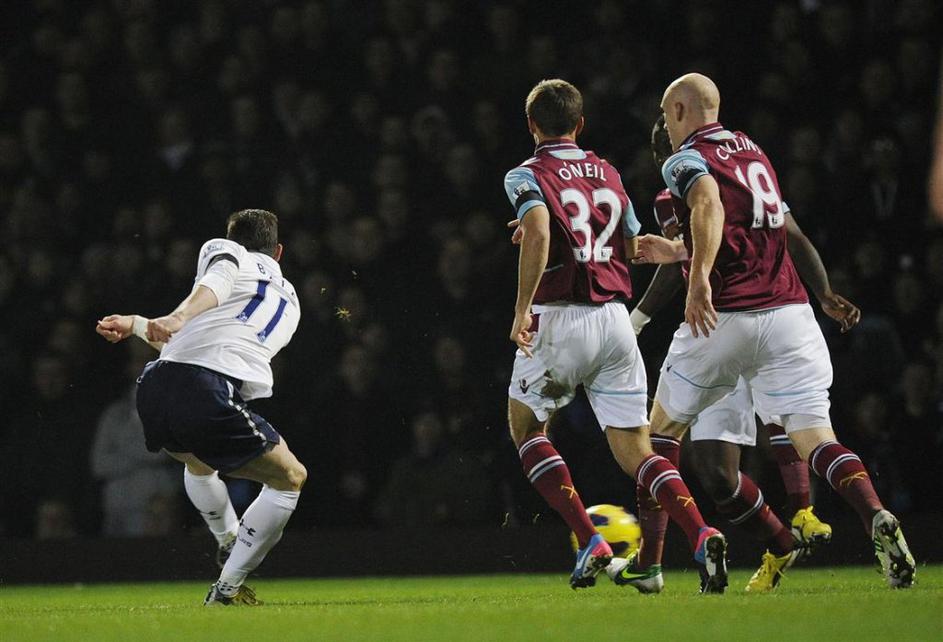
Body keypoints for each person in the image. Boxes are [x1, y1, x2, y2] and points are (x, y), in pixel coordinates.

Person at [633, 73, 916, 589]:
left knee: (655, 438)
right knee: (816, 437)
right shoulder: (754, 153)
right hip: (792, 312)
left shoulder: (685, 160)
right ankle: (874, 514)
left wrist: (695, 280)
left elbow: (708, 207)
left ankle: (659, 561)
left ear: (678, 110)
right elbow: (792, 233)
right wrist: (825, 292)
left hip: (726, 316)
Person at [504, 78, 728, 593]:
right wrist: (677, 252)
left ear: (532, 124)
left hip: (559, 318)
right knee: (638, 454)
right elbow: (630, 246)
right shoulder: (606, 172)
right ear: (580, 125)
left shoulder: (527, 173)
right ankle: (701, 533)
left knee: (527, 430)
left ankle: (590, 540)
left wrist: (521, 309)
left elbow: (539, 231)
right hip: (614, 322)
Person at [96, 209, 306, 605]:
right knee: (290, 479)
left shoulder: (223, 249)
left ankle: (228, 538)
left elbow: (212, 291)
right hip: (205, 390)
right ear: (277, 252)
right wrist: (174, 319)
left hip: (156, 387)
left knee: (198, 462)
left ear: (230, 236)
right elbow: (213, 307)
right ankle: (226, 588)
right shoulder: (291, 303)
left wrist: (143, 323)